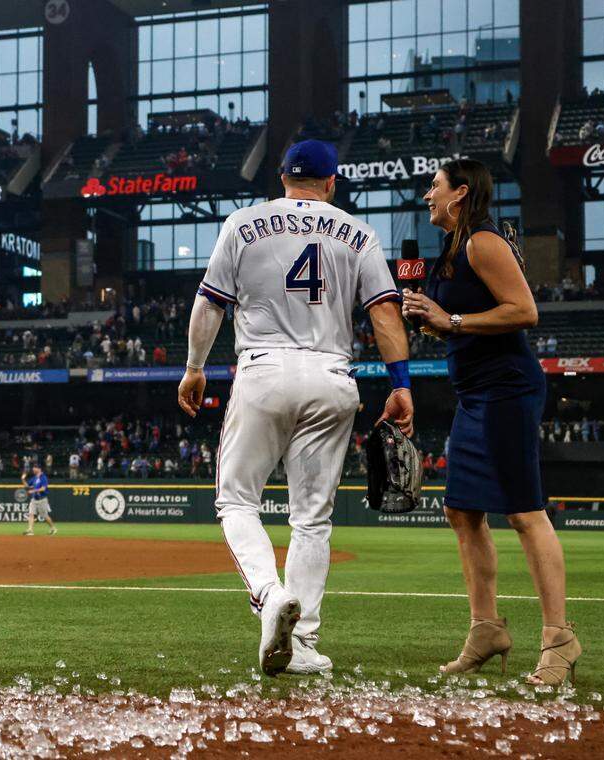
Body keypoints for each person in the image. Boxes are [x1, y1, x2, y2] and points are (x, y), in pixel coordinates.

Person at [178, 139, 414, 677]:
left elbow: (209, 303)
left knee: (236, 501)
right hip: (332, 376)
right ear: (332, 183)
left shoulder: (243, 222)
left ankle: (268, 594)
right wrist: (401, 384)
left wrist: (195, 367)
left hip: (264, 370)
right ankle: (303, 643)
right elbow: (384, 314)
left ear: (282, 177)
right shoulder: (359, 233)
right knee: (312, 519)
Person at [403, 158, 580, 686]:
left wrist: (451, 319)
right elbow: (465, 324)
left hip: (507, 391)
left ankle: (560, 639)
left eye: (433, 187)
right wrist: (435, 323)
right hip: (475, 393)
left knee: (525, 514)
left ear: (459, 194)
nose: (427, 196)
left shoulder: (482, 241)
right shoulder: (453, 249)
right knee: (461, 511)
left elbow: (524, 310)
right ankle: (486, 630)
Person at [22, 463, 57, 536]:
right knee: (31, 514)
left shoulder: (43, 477)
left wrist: (33, 491)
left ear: (39, 469)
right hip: (34, 499)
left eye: (35, 468)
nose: (33, 469)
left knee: (45, 516)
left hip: (42, 499)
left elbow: (43, 488)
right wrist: (23, 479)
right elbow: (27, 486)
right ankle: (30, 530)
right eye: (33, 468)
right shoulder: (34, 478)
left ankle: (53, 528)